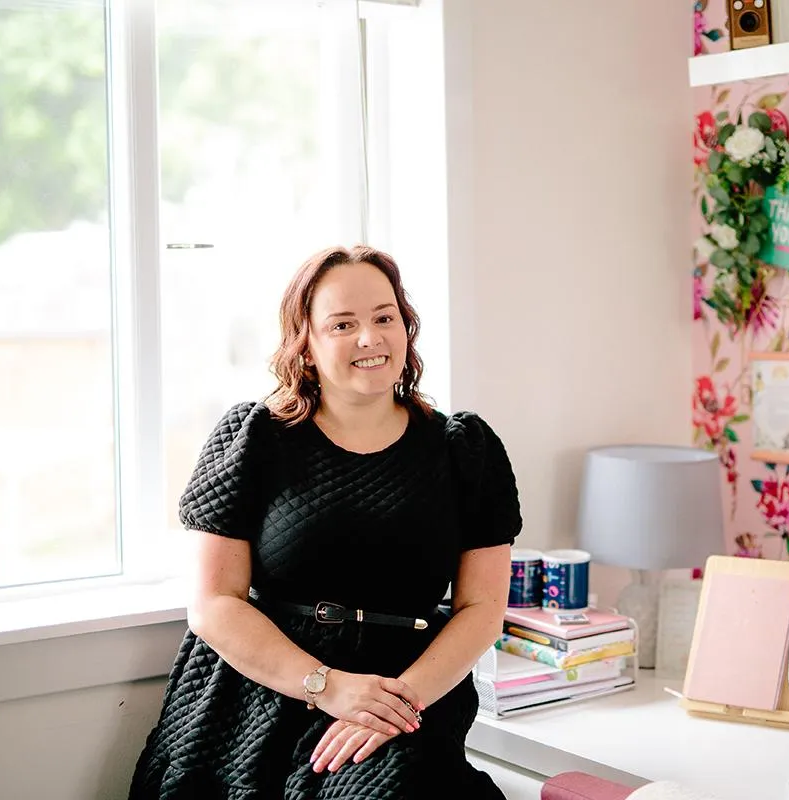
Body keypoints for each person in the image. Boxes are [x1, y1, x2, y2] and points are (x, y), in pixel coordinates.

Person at [128, 244, 522, 799]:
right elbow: (214, 603)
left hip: (404, 690)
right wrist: (328, 687)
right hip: (258, 689)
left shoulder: (465, 449)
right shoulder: (254, 438)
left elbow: (481, 608)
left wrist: (394, 703)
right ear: (306, 345)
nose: (370, 338)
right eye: (343, 324)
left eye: (385, 318)